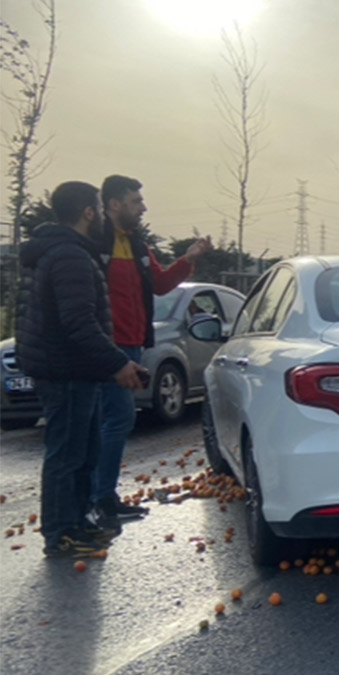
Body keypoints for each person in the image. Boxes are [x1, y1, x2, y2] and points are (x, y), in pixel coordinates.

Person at [15, 181, 147, 558]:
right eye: (100, 210)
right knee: (67, 456)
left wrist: (114, 365)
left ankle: (77, 522)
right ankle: (61, 533)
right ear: (89, 212)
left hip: (74, 369)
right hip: (66, 371)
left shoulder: (61, 251)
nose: (104, 216)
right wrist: (117, 363)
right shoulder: (70, 256)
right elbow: (79, 322)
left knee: (83, 452)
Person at [89, 175, 212, 528]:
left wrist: (187, 260)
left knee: (108, 420)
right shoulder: (96, 244)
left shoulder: (138, 246)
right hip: (107, 347)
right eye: (135, 201)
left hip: (131, 343)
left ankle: (97, 497)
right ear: (113, 204)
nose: (142, 207)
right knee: (117, 418)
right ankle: (100, 499)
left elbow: (159, 285)